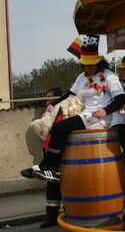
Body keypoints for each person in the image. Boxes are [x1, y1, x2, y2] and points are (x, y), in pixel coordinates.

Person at [22, 35, 125, 182]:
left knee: (60, 128)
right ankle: (53, 168)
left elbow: (121, 98)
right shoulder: (81, 77)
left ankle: (47, 167)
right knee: (55, 127)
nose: (88, 68)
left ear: (99, 63)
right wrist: (53, 103)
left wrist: (106, 111)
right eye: (85, 65)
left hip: (99, 116)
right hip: (84, 113)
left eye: (91, 65)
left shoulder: (109, 77)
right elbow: (69, 94)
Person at [21, 87, 63, 228]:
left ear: (59, 97)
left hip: (60, 151)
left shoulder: (60, 108)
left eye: (49, 97)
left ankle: (69, 213)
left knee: (63, 183)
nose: (47, 100)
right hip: (50, 150)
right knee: (52, 185)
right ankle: (51, 217)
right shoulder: (49, 108)